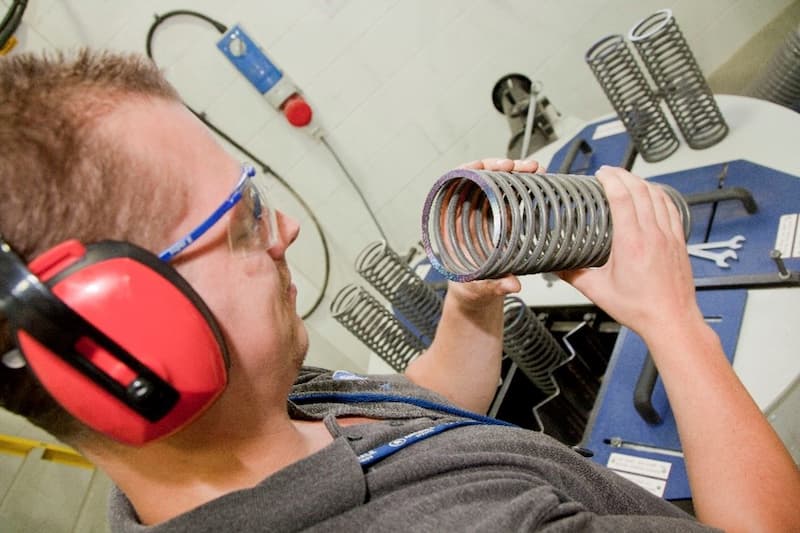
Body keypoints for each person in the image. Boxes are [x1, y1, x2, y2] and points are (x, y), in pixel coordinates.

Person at [0, 50, 798, 533]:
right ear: (132, 338)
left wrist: (473, 300)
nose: (285, 229)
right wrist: (674, 320)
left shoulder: (250, 414)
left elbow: (416, 412)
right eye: (243, 217)